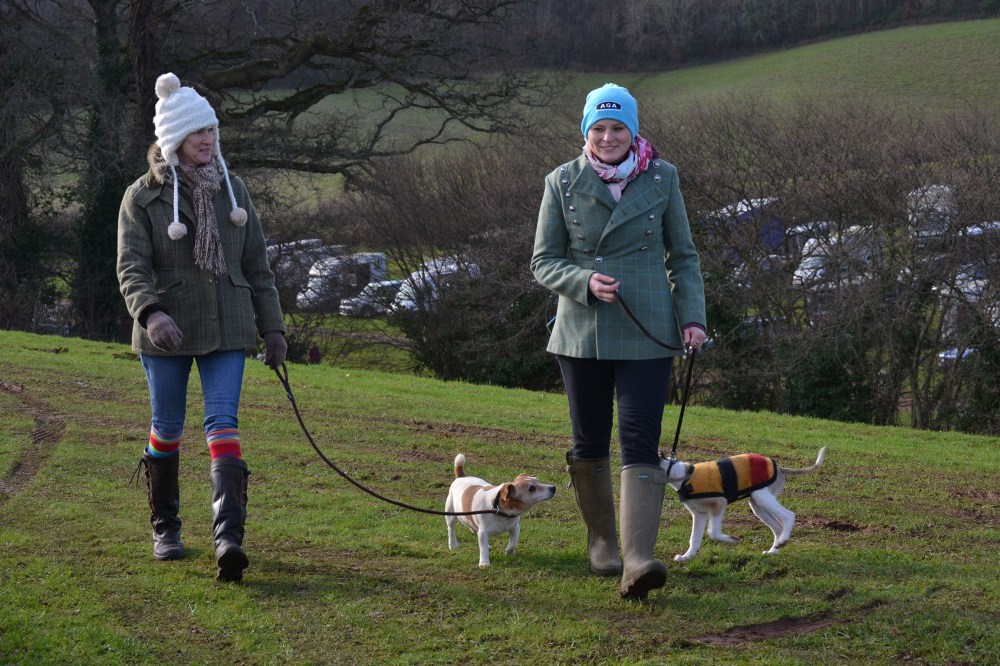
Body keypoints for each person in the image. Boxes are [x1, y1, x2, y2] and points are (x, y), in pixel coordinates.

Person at [531, 83, 707, 599]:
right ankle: (603, 544)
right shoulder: (561, 181)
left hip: (649, 329)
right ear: (586, 132)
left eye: (618, 128)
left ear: (633, 131)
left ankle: (637, 559)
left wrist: (692, 316)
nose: (608, 137)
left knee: (639, 440)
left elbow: (685, 256)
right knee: (589, 440)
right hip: (581, 330)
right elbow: (543, 261)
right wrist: (582, 281)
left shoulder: (664, 177)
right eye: (599, 128)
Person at [117, 72, 287, 582]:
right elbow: (131, 268)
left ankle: (228, 539)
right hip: (166, 332)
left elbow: (258, 265)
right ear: (173, 142)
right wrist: (150, 313)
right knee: (167, 427)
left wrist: (273, 328)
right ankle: (165, 528)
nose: (208, 140)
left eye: (211, 130)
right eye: (197, 134)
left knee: (223, 425)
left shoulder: (235, 193)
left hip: (229, 325)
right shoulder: (141, 198)